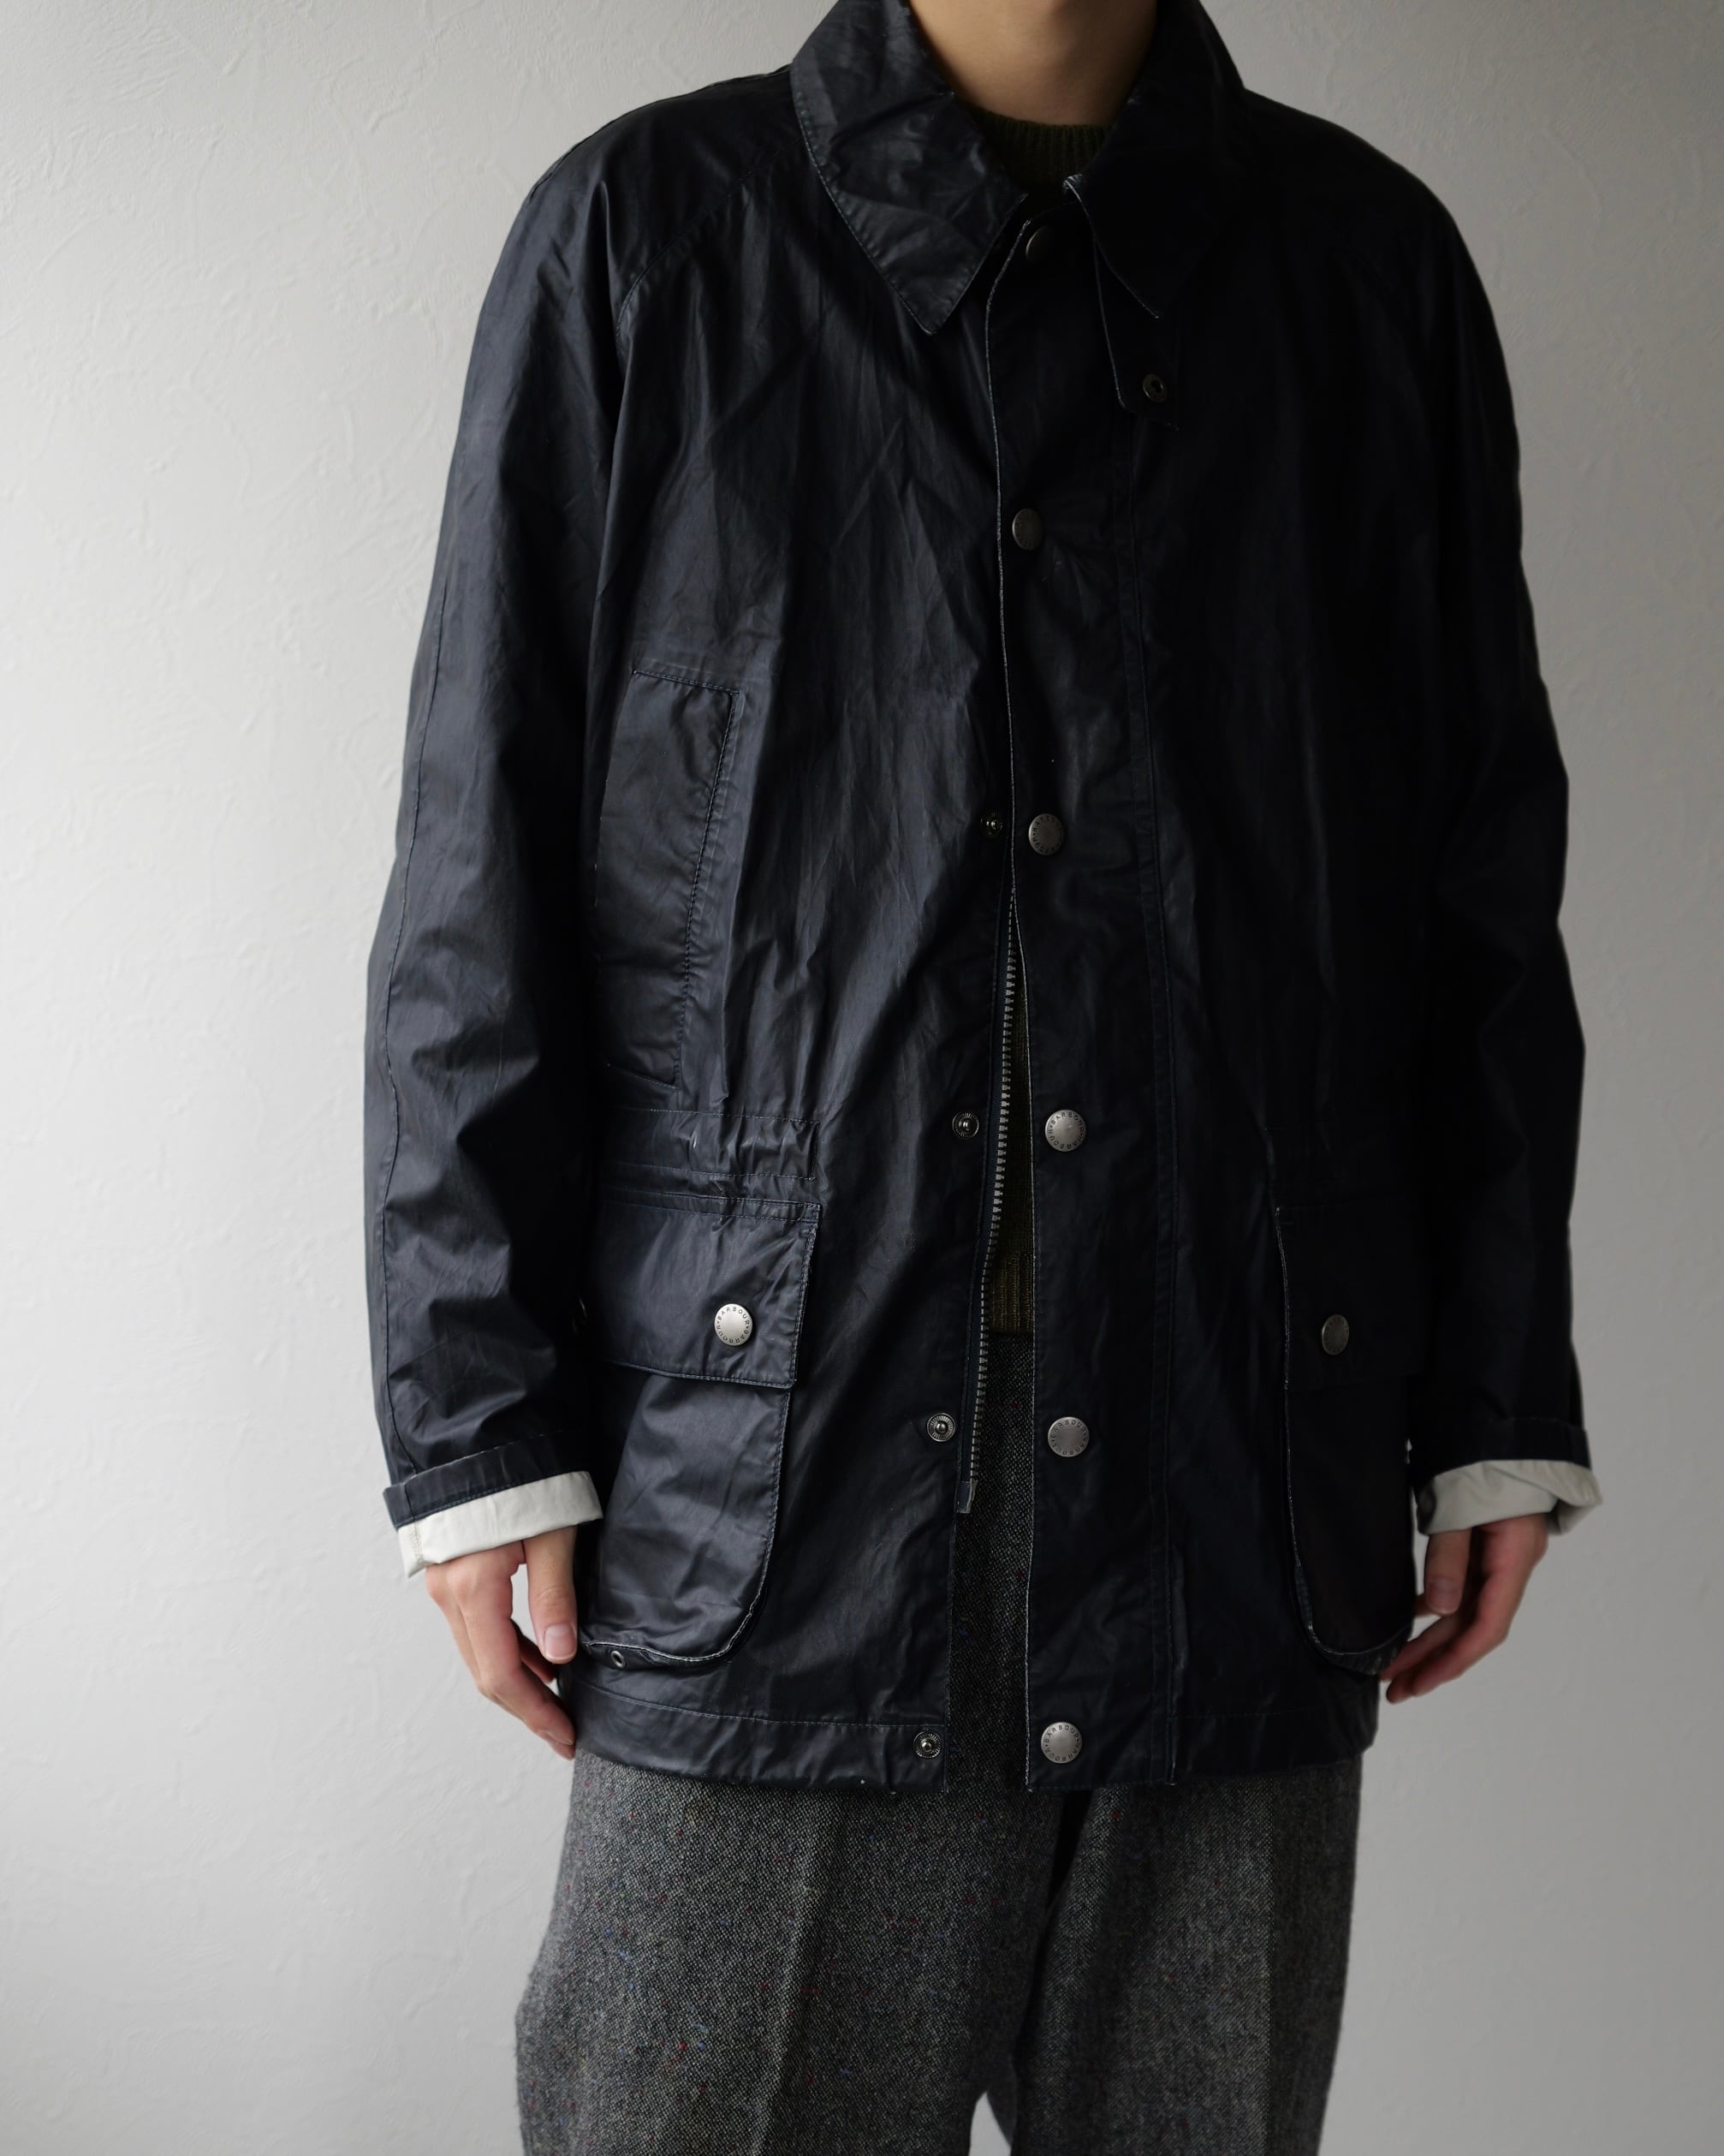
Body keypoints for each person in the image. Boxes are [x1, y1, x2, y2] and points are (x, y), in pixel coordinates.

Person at [362, 0, 1602, 2147]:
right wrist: (475, 1427)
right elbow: (481, 875)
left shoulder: (1361, 267)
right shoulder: (650, 237)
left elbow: (1469, 891)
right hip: (779, 1499)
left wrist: (1495, 1402)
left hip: (1235, 1477)